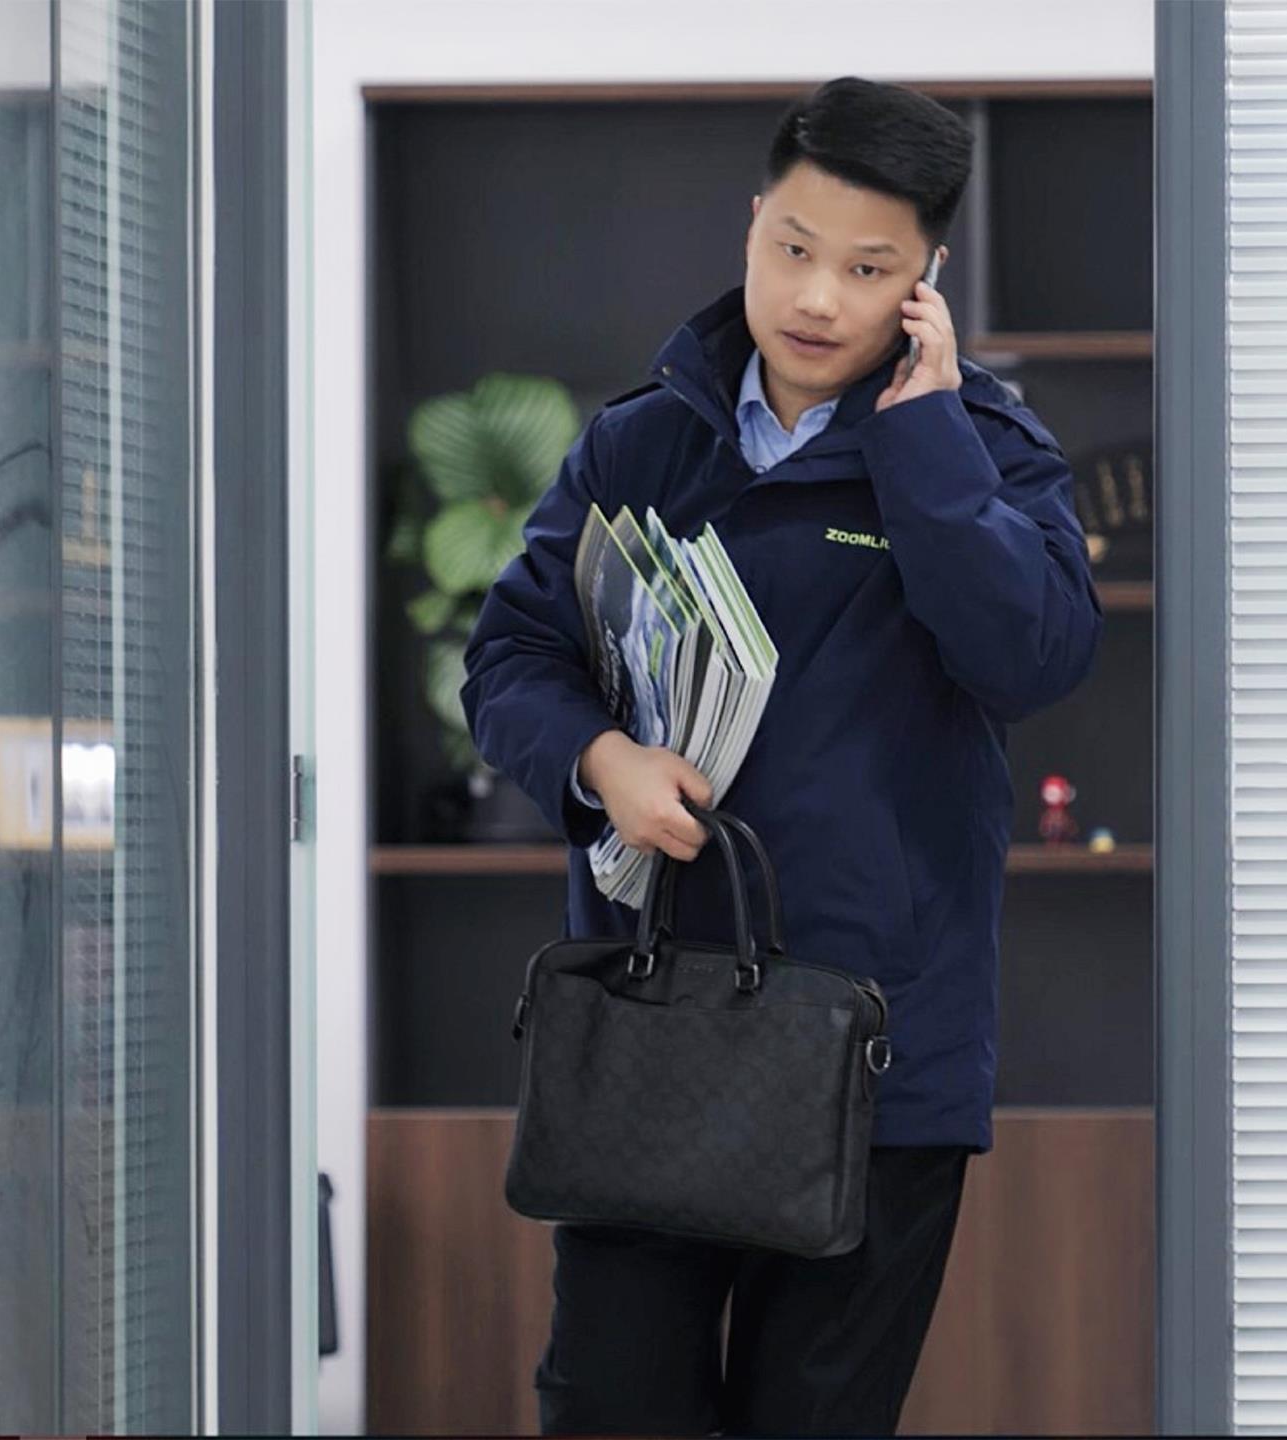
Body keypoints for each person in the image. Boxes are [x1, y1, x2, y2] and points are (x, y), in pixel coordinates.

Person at [460, 75, 1103, 1437]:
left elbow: (1031, 659)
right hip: (649, 1028)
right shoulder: (640, 441)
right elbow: (509, 659)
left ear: (925, 280)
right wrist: (602, 762)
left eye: (868, 268)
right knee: (609, 1408)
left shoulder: (986, 449)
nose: (817, 297)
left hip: (876, 1055)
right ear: (752, 222)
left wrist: (924, 440)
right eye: (793, 248)